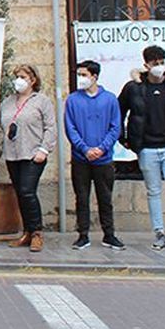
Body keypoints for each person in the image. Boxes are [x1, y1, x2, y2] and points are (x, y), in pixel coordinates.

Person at [119, 45, 165, 255]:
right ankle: (159, 233)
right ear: (146, 65)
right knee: (153, 192)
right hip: (147, 149)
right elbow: (119, 113)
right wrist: (125, 140)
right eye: (155, 63)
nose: (159, 67)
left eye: (162, 62)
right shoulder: (133, 88)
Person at [64, 60, 123, 251]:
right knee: (82, 198)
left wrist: (102, 148)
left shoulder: (110, 99)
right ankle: (83, 235)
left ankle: (109, 234)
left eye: (84, 75)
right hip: (81, 158)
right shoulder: (73, 100)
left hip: (103, 159)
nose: (80, 78)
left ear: (94, 77)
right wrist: (84, 149)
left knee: (105, 198)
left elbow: (115, 127)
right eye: (79, 75)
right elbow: (70, 128)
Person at [0, 64, 56, 252]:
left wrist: (44, 149)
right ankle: (27, 232)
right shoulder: (7, 102)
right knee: (20, 192)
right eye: (17, 77)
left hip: (33, 154)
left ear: (32, 80)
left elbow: (51, 127)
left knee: (27, 191)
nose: (19, 80)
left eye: (23, 77)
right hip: (13, 154)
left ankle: (37, 233)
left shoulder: (41, 101)